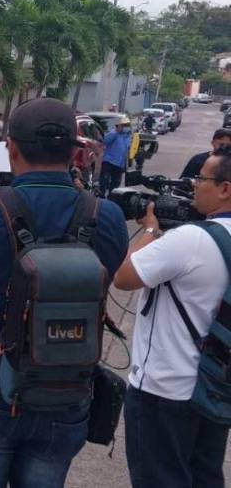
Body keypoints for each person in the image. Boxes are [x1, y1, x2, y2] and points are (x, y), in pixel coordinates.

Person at [0, 98, 128, 488]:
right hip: (66, 391)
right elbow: (111, 272)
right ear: (75, 151)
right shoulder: (107, 216)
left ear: (11, 147)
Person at [113, 146, 231, 488]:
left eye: (202, 178)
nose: (194, 185)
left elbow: (124, 278)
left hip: (164, 390)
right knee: (205, 476)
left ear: (225, 188)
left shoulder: (191, 240)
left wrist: (150, 230)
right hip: (216, 388)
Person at [100, 115, 132, 196]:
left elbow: (126, 151)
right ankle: (101, 197)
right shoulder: (114, 133)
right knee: (104, 181)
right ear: (120, 125)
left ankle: (111, 198)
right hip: (109, 162)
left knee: (115, 184)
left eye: (127, 125)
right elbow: (105, 140)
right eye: (124, 125)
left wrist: (126, 164)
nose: (126, 127)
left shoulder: (128, 136)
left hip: (119, 164)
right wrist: (116, 131)